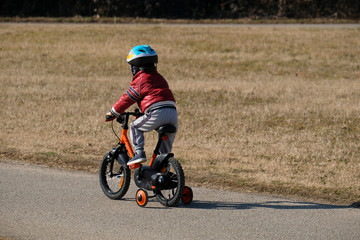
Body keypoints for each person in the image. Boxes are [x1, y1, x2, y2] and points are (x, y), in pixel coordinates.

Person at [105, 45, 177, 166]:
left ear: (135, 67)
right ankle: (162, 172)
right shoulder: (160, 77)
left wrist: (112, 112)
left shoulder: (140, 79)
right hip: (172, 113)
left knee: (134, 127)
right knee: (164, 152)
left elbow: (126, 99)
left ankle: (139, 153)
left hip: (157, 112)